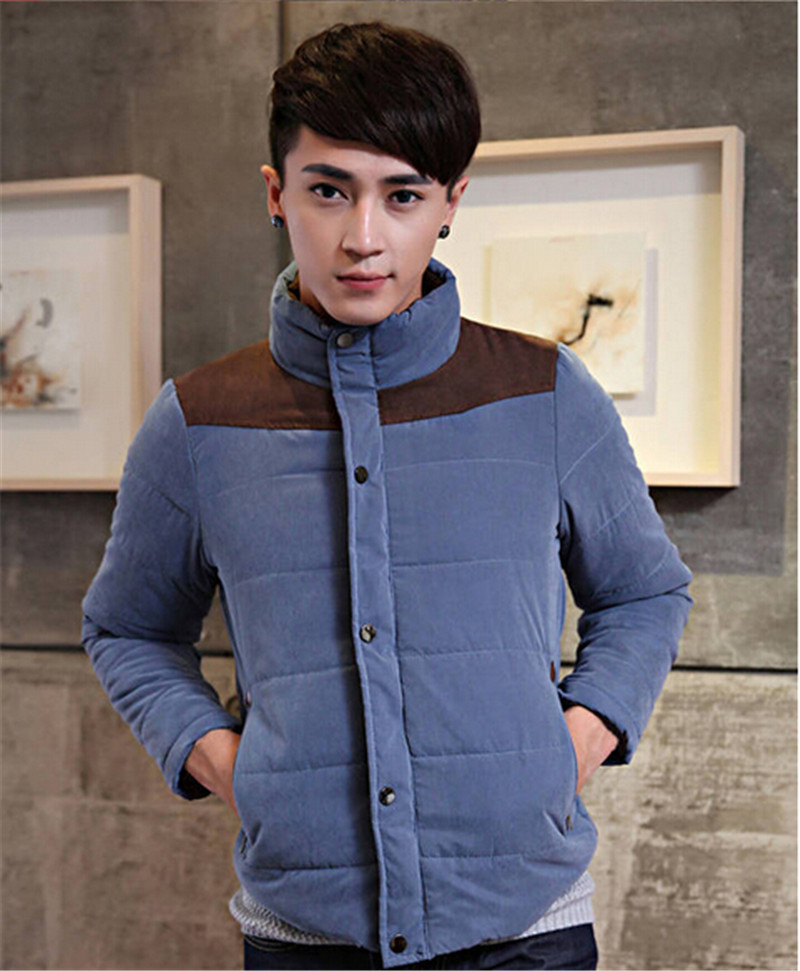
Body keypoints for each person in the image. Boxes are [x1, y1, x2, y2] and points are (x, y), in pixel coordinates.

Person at [81, 21, 693, 971]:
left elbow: (645, 592)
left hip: (525, 933)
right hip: (305, 938)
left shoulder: (546, 394)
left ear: (450, 202)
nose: (363, 237)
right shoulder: (197, 422)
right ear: (276, 193)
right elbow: (127, 628)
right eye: (329, 190)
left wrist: (573, 742)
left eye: (402, 195)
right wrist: (232, 768)